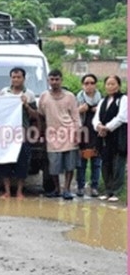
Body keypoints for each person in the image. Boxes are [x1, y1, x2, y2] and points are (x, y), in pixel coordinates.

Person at [0, 67, 37, 199]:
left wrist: (26, 105)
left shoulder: (29, 94)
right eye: (14, 77)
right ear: (11, 78)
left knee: (22, 163)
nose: (16, 79)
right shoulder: (4, 93)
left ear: (24, 79)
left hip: (23, 133)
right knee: (5, 162)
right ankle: (6, 191)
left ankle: (19, 191)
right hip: (6, 134)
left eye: (19, 77)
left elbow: (35, 115)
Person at [38, 69, 81, 200]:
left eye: (57, 79)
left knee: (69, 164)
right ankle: (57, 189)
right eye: (52, 79)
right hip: (52, 134)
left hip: (69, 133)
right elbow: (40, 115)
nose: (54, 82)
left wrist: (77, 133)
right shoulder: (44, 96)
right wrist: (41, 132)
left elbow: (76, 116)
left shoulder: (70, 96)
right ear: (48, 81)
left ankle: (66, 189)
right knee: (54, 165)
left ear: (61, 80)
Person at [93, 75, 127, 202]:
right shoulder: (103, 101)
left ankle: (116, 191)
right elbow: (96, 118)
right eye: (108, 84)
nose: (110, 86)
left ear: (118, 85)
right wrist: (98, 126)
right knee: (105, 163)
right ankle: (108, 190)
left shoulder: (123, 99)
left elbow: (122, 117)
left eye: (113, 84)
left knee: (118, 164)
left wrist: (107, 127)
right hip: (104, 137)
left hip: (118, 136)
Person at [75, 74, 102, 198]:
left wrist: (100, 110)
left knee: (96, 163)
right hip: (82, 136)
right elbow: (68, 115)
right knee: (81, 163)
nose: (89, 85)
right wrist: (79, 110)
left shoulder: (102, 101)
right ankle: (80, 187)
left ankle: (94, 187)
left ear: (95, 85)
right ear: (82, 85)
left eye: (92, 83)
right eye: (86, 83)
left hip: (97, 137)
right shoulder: (77, 99)